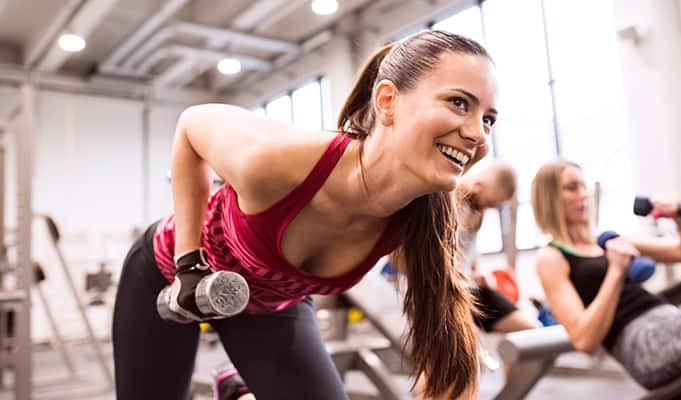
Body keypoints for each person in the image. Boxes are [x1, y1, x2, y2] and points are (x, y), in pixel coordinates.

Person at [111, 30, 499, 400]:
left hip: (272, 305)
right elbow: (191, 125)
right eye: (458, 103)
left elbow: (442, 336)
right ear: (386, 102)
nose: (478, 135)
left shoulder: (418, 219)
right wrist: (188, 262)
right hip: (164, 276)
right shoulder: (274, 162)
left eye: (488, 119)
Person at [210, 161, 538, 400]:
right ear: (479, 186)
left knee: (528, 335)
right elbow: (402, 256)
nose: (489, 208)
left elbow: (467, 252)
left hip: (461, 286)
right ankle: (240, 381)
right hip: (420, 287)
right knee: (442, 364)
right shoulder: (438, 197)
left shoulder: (475, 211)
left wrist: (472, 273)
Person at [531, 160, 681, 390]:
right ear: (549, 197)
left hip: (670, 320)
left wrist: (679, 218)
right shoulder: (551, 257)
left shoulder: (605, 240)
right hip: (642, 343)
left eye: (583, 186)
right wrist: (616, 271)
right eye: (571, 188)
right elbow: (584, 340)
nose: (583, 195)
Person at [455, 161, 539, 333]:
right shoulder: (451, 201)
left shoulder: (477, 208)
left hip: (467, 287)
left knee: (532, 330)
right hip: (452, 290)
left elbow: (469, 248)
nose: (488, 208)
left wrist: (477, 272)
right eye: (489, 202)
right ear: (479, 185)